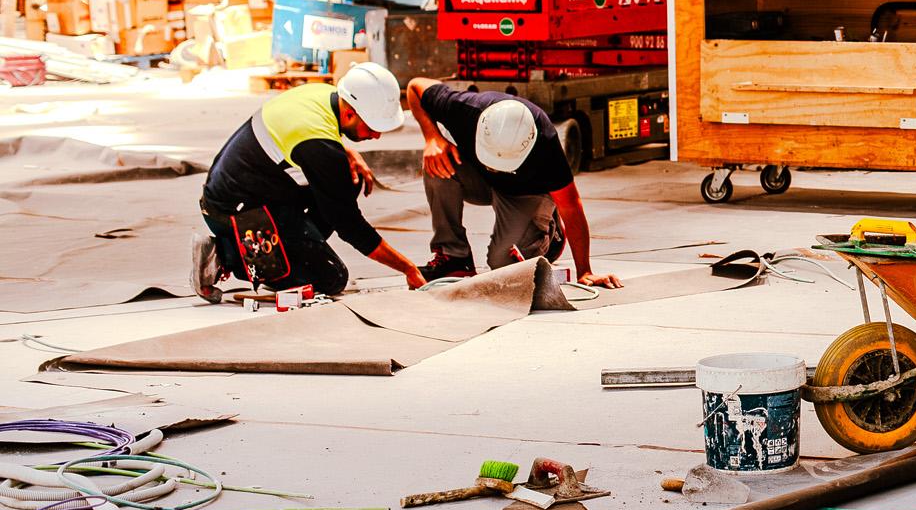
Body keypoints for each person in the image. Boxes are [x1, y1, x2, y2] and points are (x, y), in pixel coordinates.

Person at [192, 63, 423, 301]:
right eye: (372, 127)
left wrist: (346, 152)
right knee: (331, 278)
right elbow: (350, 226)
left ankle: (295, 252)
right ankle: (225, 255)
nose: (377, 136)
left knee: (348, 180)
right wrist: (407, 268)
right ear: (349, 114)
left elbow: (308, 131)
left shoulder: (324, 95)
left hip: (248, 189)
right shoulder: (318, 145)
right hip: (231, 212)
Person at [404, 77, 621, 289]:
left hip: (525, 193)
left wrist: (585, 271)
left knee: (504, 266)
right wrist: (432, 137)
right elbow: (415, 87)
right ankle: (454, 258)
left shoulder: (545, 142)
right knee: (436, 164)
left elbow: (571, 206)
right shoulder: (464, 109)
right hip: (481, 179)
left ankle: (549, 232)